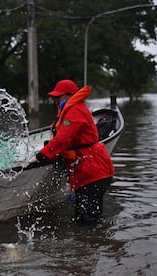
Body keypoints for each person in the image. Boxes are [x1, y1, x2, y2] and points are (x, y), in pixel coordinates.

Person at [35, 79, 114, 224]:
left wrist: (43, 155)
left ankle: (95, 243)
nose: (55, 101)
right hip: (90, 171)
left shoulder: (75, 110)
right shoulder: (69, 110)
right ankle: (97, 243)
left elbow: (63, 138)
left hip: (94, 172)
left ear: (69, 95)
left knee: (87, 221)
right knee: (86, 219)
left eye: (58, 97)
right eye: (54, 98)